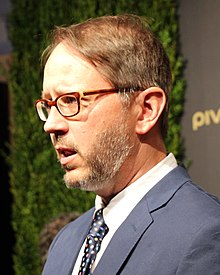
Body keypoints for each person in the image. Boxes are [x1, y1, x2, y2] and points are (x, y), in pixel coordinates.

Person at [35, 14, 220, 275]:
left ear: (146, 110)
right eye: (48, 105)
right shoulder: (65, 243)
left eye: (69, 100)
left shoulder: (205, 234)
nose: (50, 125)